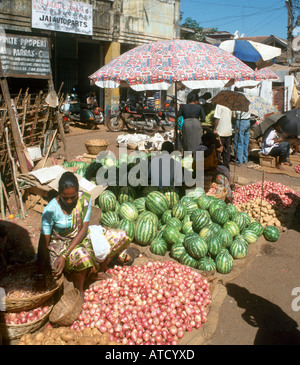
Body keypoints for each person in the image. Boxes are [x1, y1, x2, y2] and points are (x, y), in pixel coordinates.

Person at [36, 172, 131, 299]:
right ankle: (79, 289)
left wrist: (66, 255)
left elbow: (83, 229)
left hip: (82, 237)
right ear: (59, 193)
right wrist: (41, 273)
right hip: (62, 244)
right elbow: (44, 242)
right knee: (83, 257)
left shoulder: (84, 201)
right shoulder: (50, 210)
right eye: (65, 198)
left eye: (73, 197)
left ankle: (98, 271)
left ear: (78, 192)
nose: (69, 201)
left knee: (122, 236)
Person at [192, 131, 233, 200]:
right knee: (223, 179)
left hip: (208, 170)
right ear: (208, 142)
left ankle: (226, 193)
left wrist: (218, 140)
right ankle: (229, 198)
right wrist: (213, 146)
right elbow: (205, 154)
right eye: (212, 141)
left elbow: (220, 150)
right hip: (201, 172)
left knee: (224, 170)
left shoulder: (209, 148)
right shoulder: (200, 148)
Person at [213, 104, 233, 169]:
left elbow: (217, 118)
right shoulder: (230, 105)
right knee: (227, 149)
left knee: (218, 148)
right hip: (228, 131)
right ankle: (226, 165)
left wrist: (215, 129)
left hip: (220, 131)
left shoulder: (219, 105)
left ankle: (217, 165)